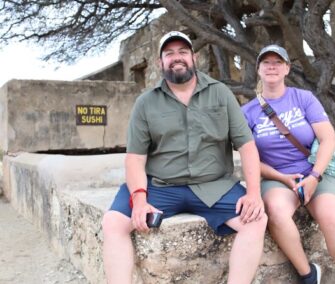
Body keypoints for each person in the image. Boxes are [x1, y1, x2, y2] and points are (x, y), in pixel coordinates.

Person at [101, 31, 268, 284]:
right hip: (160, 185)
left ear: (194, 57)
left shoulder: (220, 93)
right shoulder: (145, 103)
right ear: (160, 63)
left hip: (214, 185)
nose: (176, 58)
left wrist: (253, 192)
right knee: (113, 223)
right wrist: (139, 199)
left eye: (182, 52)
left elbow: (246, 146)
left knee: (256, 220)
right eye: (169, 53)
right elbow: (135, 158)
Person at [241, 44, 335, 284]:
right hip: (277, 177)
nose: (272, 67)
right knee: (277, 212)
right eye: (266, 63)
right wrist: (283, 178)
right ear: (258, 69)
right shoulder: (248, 112)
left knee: (331, 219)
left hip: (316, 171)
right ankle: (308, 274)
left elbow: (327, 139)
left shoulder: (303, 98)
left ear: (286, 68)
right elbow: (250, 160)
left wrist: (314, 177)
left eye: (277, 62)